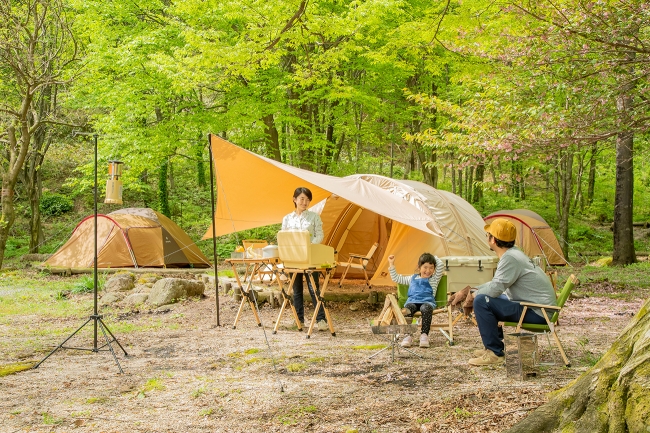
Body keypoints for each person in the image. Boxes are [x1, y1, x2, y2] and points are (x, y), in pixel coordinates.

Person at [469, 218, 557, 366]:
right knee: (485, 297)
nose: (486, 237)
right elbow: (497, 284)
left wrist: (473, 295)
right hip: (537, 308)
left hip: (538, 313)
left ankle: (495, 353)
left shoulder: (510, 258)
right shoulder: (514, 254)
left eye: (488, 235)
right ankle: (493, 347)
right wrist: (476, 289)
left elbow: (495, 289)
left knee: (481, 301)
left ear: (493, 240)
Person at [281, 187, 328, 331]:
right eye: (302, 198)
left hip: (310, 257)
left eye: (307, 200)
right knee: (296, 290)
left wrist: (308, 244)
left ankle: (321, 320)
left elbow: (320, 235)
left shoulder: (314, 217)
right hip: (293, 258)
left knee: (314, 288)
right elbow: (284, 237)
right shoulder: (287, 218)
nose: (305, 202)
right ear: (294, 199)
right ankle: (298, 320)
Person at [387, 252, 444, 348]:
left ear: (434, 269)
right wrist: (391, 264)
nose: (428, 270)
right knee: (408, 309)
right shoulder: (411, 278)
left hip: (427, 302)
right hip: (412, 302)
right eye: (425, 267)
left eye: (431, 268)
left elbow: (441, 264)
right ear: (419, 267)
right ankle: (407, 335)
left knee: (426, 308)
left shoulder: (434, 279)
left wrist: (431, 257)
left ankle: (424, 335)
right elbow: (396, 278)